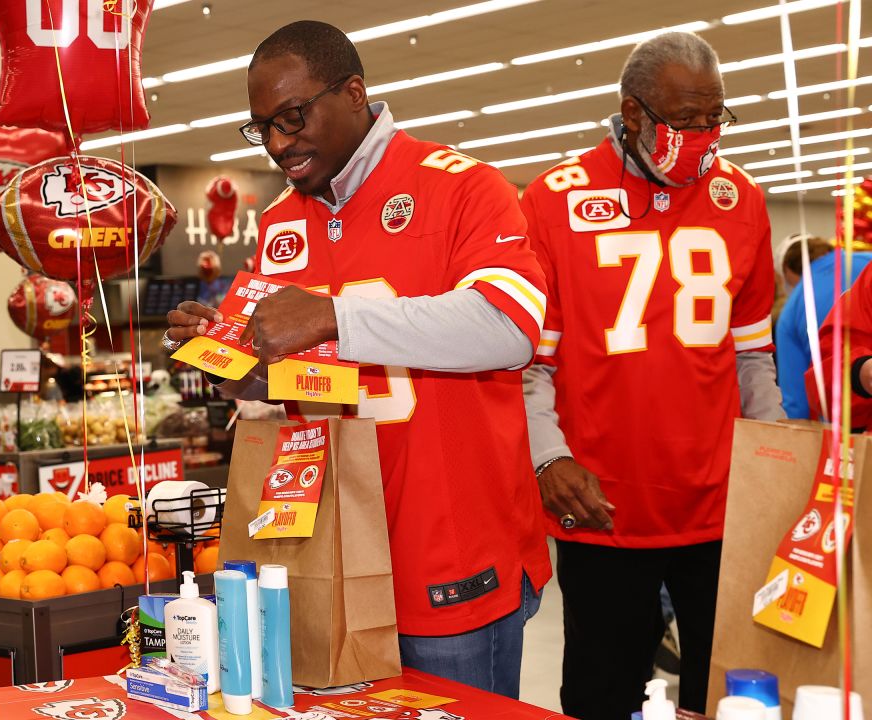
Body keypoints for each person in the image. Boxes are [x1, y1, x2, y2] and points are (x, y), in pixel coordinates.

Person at [164, 20, 551, 698]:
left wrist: (333, 313)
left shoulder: (462, 185)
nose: (280, 144)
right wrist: (222, 355)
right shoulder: (283, 220)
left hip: (450, 552)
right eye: (263, 128)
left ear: (353, 92)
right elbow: (276, 380)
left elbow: (510, 327)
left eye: (293, 116)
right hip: (328, 553)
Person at [520, 32, 783, 719]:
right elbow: (531, 367)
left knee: (729, 696)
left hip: (723, 508)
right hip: (606, 510)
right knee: (602, 697)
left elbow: (752, 356)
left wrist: (778, 464)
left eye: (714, 118)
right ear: (631, 112)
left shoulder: (742, 198)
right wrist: (548, 456)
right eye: (683, 120)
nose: (701, 136)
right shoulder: (551, 200)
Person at [775, 234, 872, 418]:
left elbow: (796, 403)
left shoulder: (792, 309)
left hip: (844, 420)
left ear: (787, 270)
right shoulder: (867, 263)